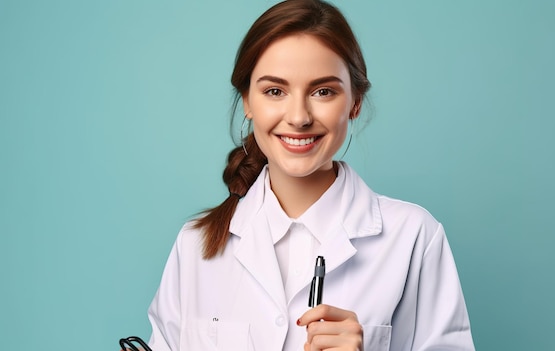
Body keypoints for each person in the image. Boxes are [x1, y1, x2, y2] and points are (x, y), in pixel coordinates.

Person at [146, 0, 474, 350]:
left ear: (355, 102)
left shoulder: (414, 238)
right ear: (247, 101)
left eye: (323, 91)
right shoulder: (195, 245)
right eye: (275, 91)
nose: (299, 117)